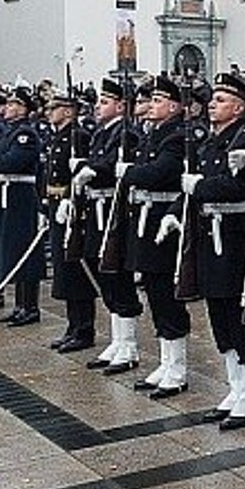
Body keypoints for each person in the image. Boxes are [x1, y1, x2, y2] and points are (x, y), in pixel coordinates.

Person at [183, 72, 245, 429]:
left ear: (239, 107)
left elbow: (237, 188)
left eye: (220, 100)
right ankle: (235, 388)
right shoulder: (212, 142)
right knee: (219, 314)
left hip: (234, 236)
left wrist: (199, 186)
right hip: (209, 233)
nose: (212, 105)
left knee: (238, 314)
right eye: (212, 99)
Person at [123, 78, 195, 397]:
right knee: (153, 290)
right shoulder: (155, 134)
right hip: (146, 217)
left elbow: (160, 172)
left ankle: (177, 367)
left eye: (159, 99)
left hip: (164, 217)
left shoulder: (177, 136)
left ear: (175, 106)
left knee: (166, 293)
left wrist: (126, 172)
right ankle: (166, 361)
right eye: (150, 99)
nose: (151, 104)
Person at [82, 82, 146, 373]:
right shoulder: (102, 133)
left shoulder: (127, 134)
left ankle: (129, 344)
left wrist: (94, 170)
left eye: (105, 101)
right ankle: (117, 339)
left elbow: (112, 166)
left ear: (121, 106)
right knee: (104, 272)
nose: (98, 106)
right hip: (97, 207)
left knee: (117, 272)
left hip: (114, 209)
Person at [0, 88, 46, 327]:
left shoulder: (25, 134)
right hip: (9, 194)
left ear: (23, 108)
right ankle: (19, 304)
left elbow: (13, 161)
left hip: (22, 196)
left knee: (25, 251)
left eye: (13, 104)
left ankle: (30, 306)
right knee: (14, 250)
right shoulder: (11, 132)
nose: (7, 108)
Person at [43, 93, 96, 353]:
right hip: (56, 206)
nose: (49, 112)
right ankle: (72, 325)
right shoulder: (56, 136)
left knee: (75, 268)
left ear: (68, 111)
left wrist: (70, 199)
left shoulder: (80, 137)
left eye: (54, 108)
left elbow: (81, 177)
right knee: (63, 268)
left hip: (72, 208)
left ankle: (84, 328)